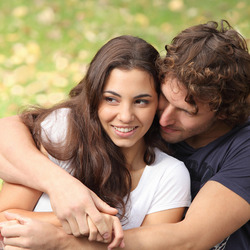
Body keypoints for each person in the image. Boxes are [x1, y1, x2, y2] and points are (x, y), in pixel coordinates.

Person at [0, 19, 249, 250]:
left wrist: (64, 240)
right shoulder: (91, 127)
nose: (164, 119)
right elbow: (9, 133)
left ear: (223, 112)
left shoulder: (236, 152)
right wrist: (62, 186)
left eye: (187, 111)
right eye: (164, 99)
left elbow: (190, 238)